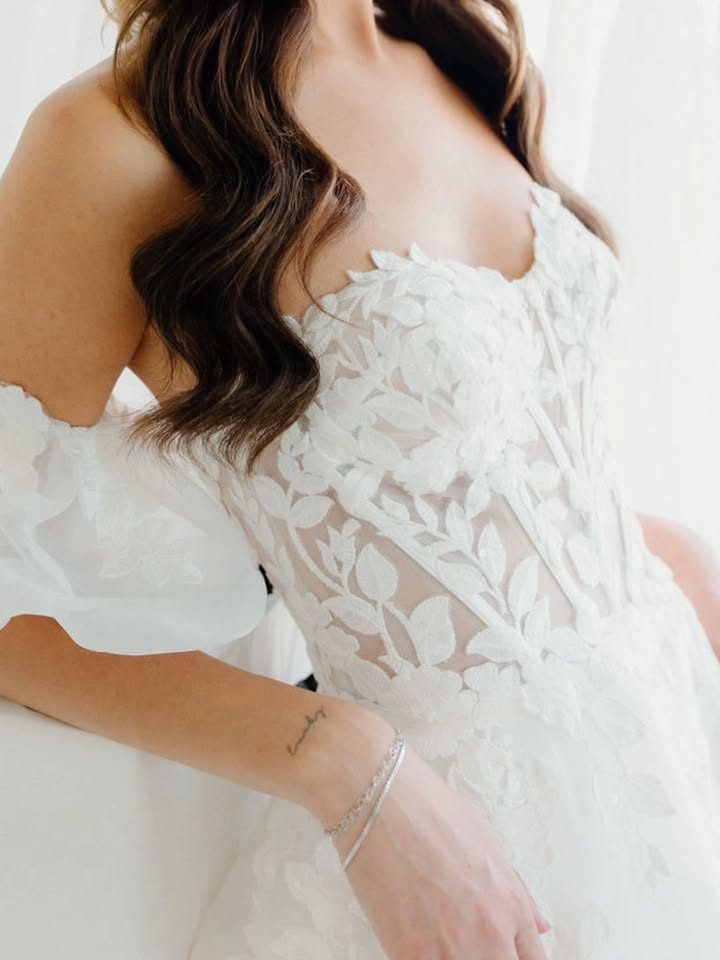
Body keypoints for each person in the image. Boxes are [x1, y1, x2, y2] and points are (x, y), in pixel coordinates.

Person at [1, 1, 720, 958]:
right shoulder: (119, 139)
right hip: (447, 854)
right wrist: (337, 756)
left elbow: (470, 475)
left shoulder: (462, 54)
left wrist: (671, 563)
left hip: (668, 755)